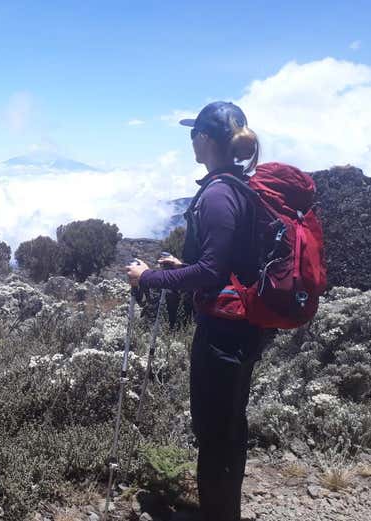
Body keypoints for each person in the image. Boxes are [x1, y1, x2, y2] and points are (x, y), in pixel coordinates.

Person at [126, 101, 261, 521]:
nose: (190, 142)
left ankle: (218, 514)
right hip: (242, 328)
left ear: (205, 139)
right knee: (228, 427)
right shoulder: (239, 186)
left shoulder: (219, 194)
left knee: (214, 432)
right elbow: (225, 267)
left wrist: (146, 278)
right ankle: (223, 511)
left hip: (223, 334)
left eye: (192, 135)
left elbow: (211, 271)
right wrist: (181, 269)